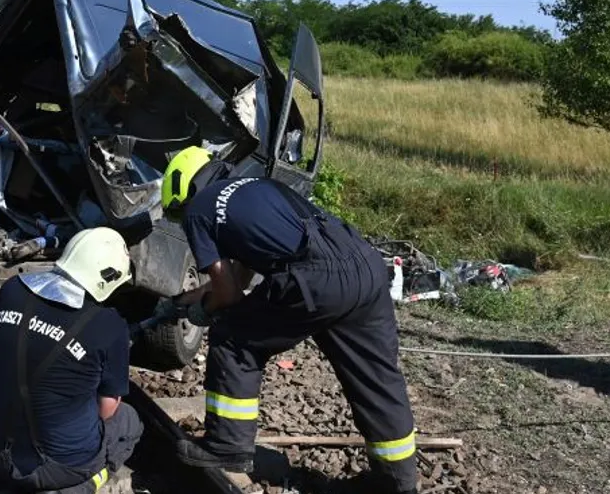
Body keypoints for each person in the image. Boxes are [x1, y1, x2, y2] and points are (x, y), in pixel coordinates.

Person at [156, 146, 419, 494]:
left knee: (234, 336)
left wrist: (204, 311)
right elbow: (237, 277)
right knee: (376, 376)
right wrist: (183, 301)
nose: (182, 217)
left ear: (182, 191)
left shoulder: (199, 210)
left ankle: (227, 446)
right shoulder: (254, 187)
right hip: (365, 265)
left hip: (318, 279)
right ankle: (398, 483)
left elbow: (229, 297)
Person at [0, 227, 143, 494]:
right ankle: (87, 483)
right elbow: (107, 409)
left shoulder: (12, 289)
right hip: (58, 470)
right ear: (107, 277)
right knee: (129, 420)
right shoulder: (109, 325)